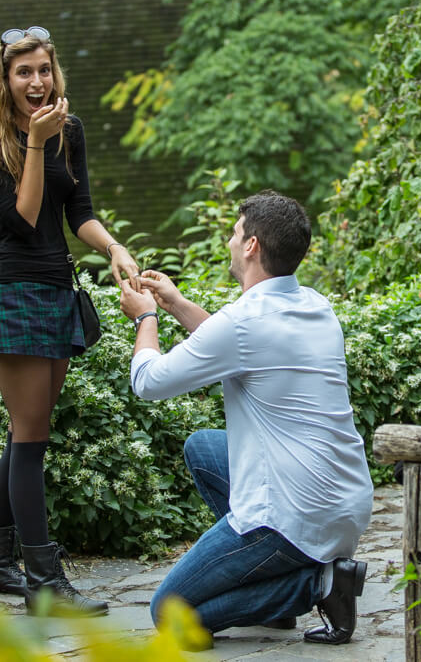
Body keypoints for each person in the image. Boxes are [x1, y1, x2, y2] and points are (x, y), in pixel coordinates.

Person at [118, 190, 374, 649]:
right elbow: (239, 342)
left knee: (171, 614)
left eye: (236, 234)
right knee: (203, 448)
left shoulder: (244, 322)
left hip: (294, 511)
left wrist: (147, 319)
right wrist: (176, 303)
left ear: (252, 245)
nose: (230, 243)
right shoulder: (315, 305)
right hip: (344, 501)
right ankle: (277, 585)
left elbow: (149, 382)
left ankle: (317, 585)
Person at [0, 26, 141, 616]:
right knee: (31, 441)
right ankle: (44, 584)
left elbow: (77, 211)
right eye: (23, 72)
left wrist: (113, 248)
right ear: (4, 79)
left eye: (44, 71)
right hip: (15, 293)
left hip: (59, 288)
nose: (37, 82)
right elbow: (24, 216)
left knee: (25, 431)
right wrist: (34, 143)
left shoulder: (71, 130)